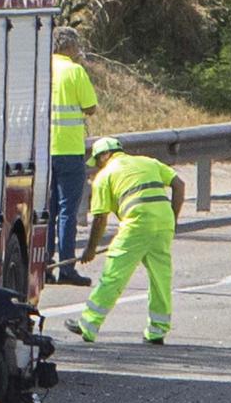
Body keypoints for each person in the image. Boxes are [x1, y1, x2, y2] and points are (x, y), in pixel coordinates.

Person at [68, 136, 184, 344]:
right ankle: (157, 330)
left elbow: (100, 218)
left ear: (105, 155)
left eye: (97, 161)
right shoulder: (148, 161)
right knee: (161, 277)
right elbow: (179, 185)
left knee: (114, 274)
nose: (97, 166)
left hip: (137, 223)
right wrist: (172, 221)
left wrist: (90, 249)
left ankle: (89, 324)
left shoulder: (105, 176)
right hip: (164, 221)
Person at [48, 26, 99, 286]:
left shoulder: (41, 67)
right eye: (76, 46)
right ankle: (66, 267)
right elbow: (90, 107)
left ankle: (44, 265)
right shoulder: (74, 71)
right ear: (68, 47)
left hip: (43, 151)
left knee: (46, 211)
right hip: (68, 150)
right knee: (68, 210)